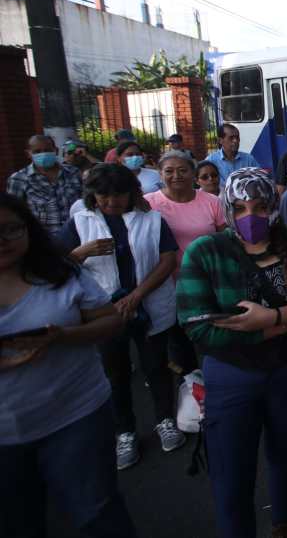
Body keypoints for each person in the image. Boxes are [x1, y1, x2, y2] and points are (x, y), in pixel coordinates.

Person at [176, 167, 287, 538]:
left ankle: (284, 523)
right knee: (231, 471)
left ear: (274, 205)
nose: (251, 217)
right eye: (240, 208)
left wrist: (271, 317)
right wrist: (280, 325)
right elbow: (196, 325)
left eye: (260, 207)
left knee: (284, 452)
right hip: (232, 378)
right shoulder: (205, 252)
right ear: (227, 210)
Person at [0, 193, 137, 538]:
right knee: (18, 521)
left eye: (11, 229)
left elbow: (110, 322)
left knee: (97, 511)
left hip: (76, 414)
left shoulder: (59, 271)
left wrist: (62, 336)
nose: (3, 241)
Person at [56, 163, 185, 469]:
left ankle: (165, 420)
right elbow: (58, 264)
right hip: (104, 312)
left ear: (131, 194)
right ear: (93, 195)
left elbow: (167, 260)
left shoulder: (152, 219)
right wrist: (82, 252)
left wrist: (137, 295)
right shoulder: (80, 222)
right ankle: (124, 432)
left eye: (119, 196)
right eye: (103, 196)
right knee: (115, 375)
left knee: (156, 367)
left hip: (149, 304)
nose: (111, 202)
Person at [146, 151, 226, 271]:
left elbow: (224, 240)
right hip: (164, 278)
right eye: (169, 171)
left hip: (206, 274)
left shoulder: (212, 201)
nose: (177, 175)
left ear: (193, 173)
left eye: (183, 170)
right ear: (160, 174)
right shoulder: (148, 203)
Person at [6, 134, 83, 235]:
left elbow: (85, 202)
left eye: (47, 150)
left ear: (55, 150)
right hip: (45, 240)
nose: (43, 154)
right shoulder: (19, 179)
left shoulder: (73, 173)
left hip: (78, 235)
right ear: (28, 154)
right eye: (37, 151)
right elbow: (14, 214)